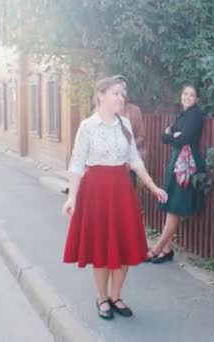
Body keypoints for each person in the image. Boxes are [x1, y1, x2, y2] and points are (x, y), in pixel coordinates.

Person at [62, 77, 167, 320]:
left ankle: (116, 296)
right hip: (95, 193)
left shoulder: (125, 125)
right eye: (116, 93)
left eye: (123, 94)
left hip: (122, 191)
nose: (121, 98)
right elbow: (77, 163)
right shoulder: (87, 126)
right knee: (101, 246)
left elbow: (134, 160)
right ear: (101, 95)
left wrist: (153, 187)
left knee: (124, 245)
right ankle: (102, 298)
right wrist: (73, 198)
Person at [146, 85, 206, 264]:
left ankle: (156, 249)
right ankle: (167, 249)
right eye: (185, 94)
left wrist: (173, 136)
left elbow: (186, 138)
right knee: (171, 203)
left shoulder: (195, 114)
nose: (188, 97)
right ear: (181, 96)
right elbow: (164, 137)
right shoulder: (182, 115)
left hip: (185, 164)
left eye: (192, 95)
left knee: (174, 207)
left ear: (197, 99)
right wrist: (174, 136)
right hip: (177, 160)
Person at [113, 75, 146, 186]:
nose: (122, 91)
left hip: (128, 164)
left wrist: (128, 146)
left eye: (124, 88)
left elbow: (141, 135)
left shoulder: (134, 110)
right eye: (118, 88)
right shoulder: (103, 111)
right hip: (108, 165)